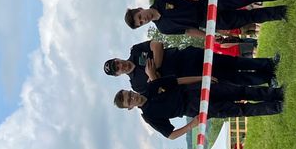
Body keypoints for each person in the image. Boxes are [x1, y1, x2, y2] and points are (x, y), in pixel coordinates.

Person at [114, 77, 283, 139]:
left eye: (130, 94)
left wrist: (202, 78)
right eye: (130, 101)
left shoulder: (150, 86)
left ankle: (276, 93)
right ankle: (276, 107)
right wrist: (191, 125)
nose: (133, 97)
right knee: (239, 109)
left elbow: (177, 81)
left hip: (196, 89)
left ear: (131, 90)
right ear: (130, 107)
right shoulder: (149, 116)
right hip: (195, 108)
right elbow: (171, 135)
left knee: (240, 90)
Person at [104, 40, 279, 93]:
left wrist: (155, 70)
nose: (120, 66)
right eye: (116, 69)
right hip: (190, 78)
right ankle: (267, 78)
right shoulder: (137, 85)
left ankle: (269, 63)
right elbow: (161, 89)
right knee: (232, 78)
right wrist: (153, 77)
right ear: (118, 75)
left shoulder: (135, 50)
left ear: (117, 58)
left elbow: (157, 45)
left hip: (190, 57)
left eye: (116, 62)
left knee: (232, 62)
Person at [125, 0, 288, 35]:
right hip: (209, 21)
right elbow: (189, 31)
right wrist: (208, 36)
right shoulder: (164, 29)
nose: (143, 20)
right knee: (248, 18)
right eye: (141, 23)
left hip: (211, 1)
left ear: (139, 9)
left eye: (140, 17)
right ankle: (282, 13)